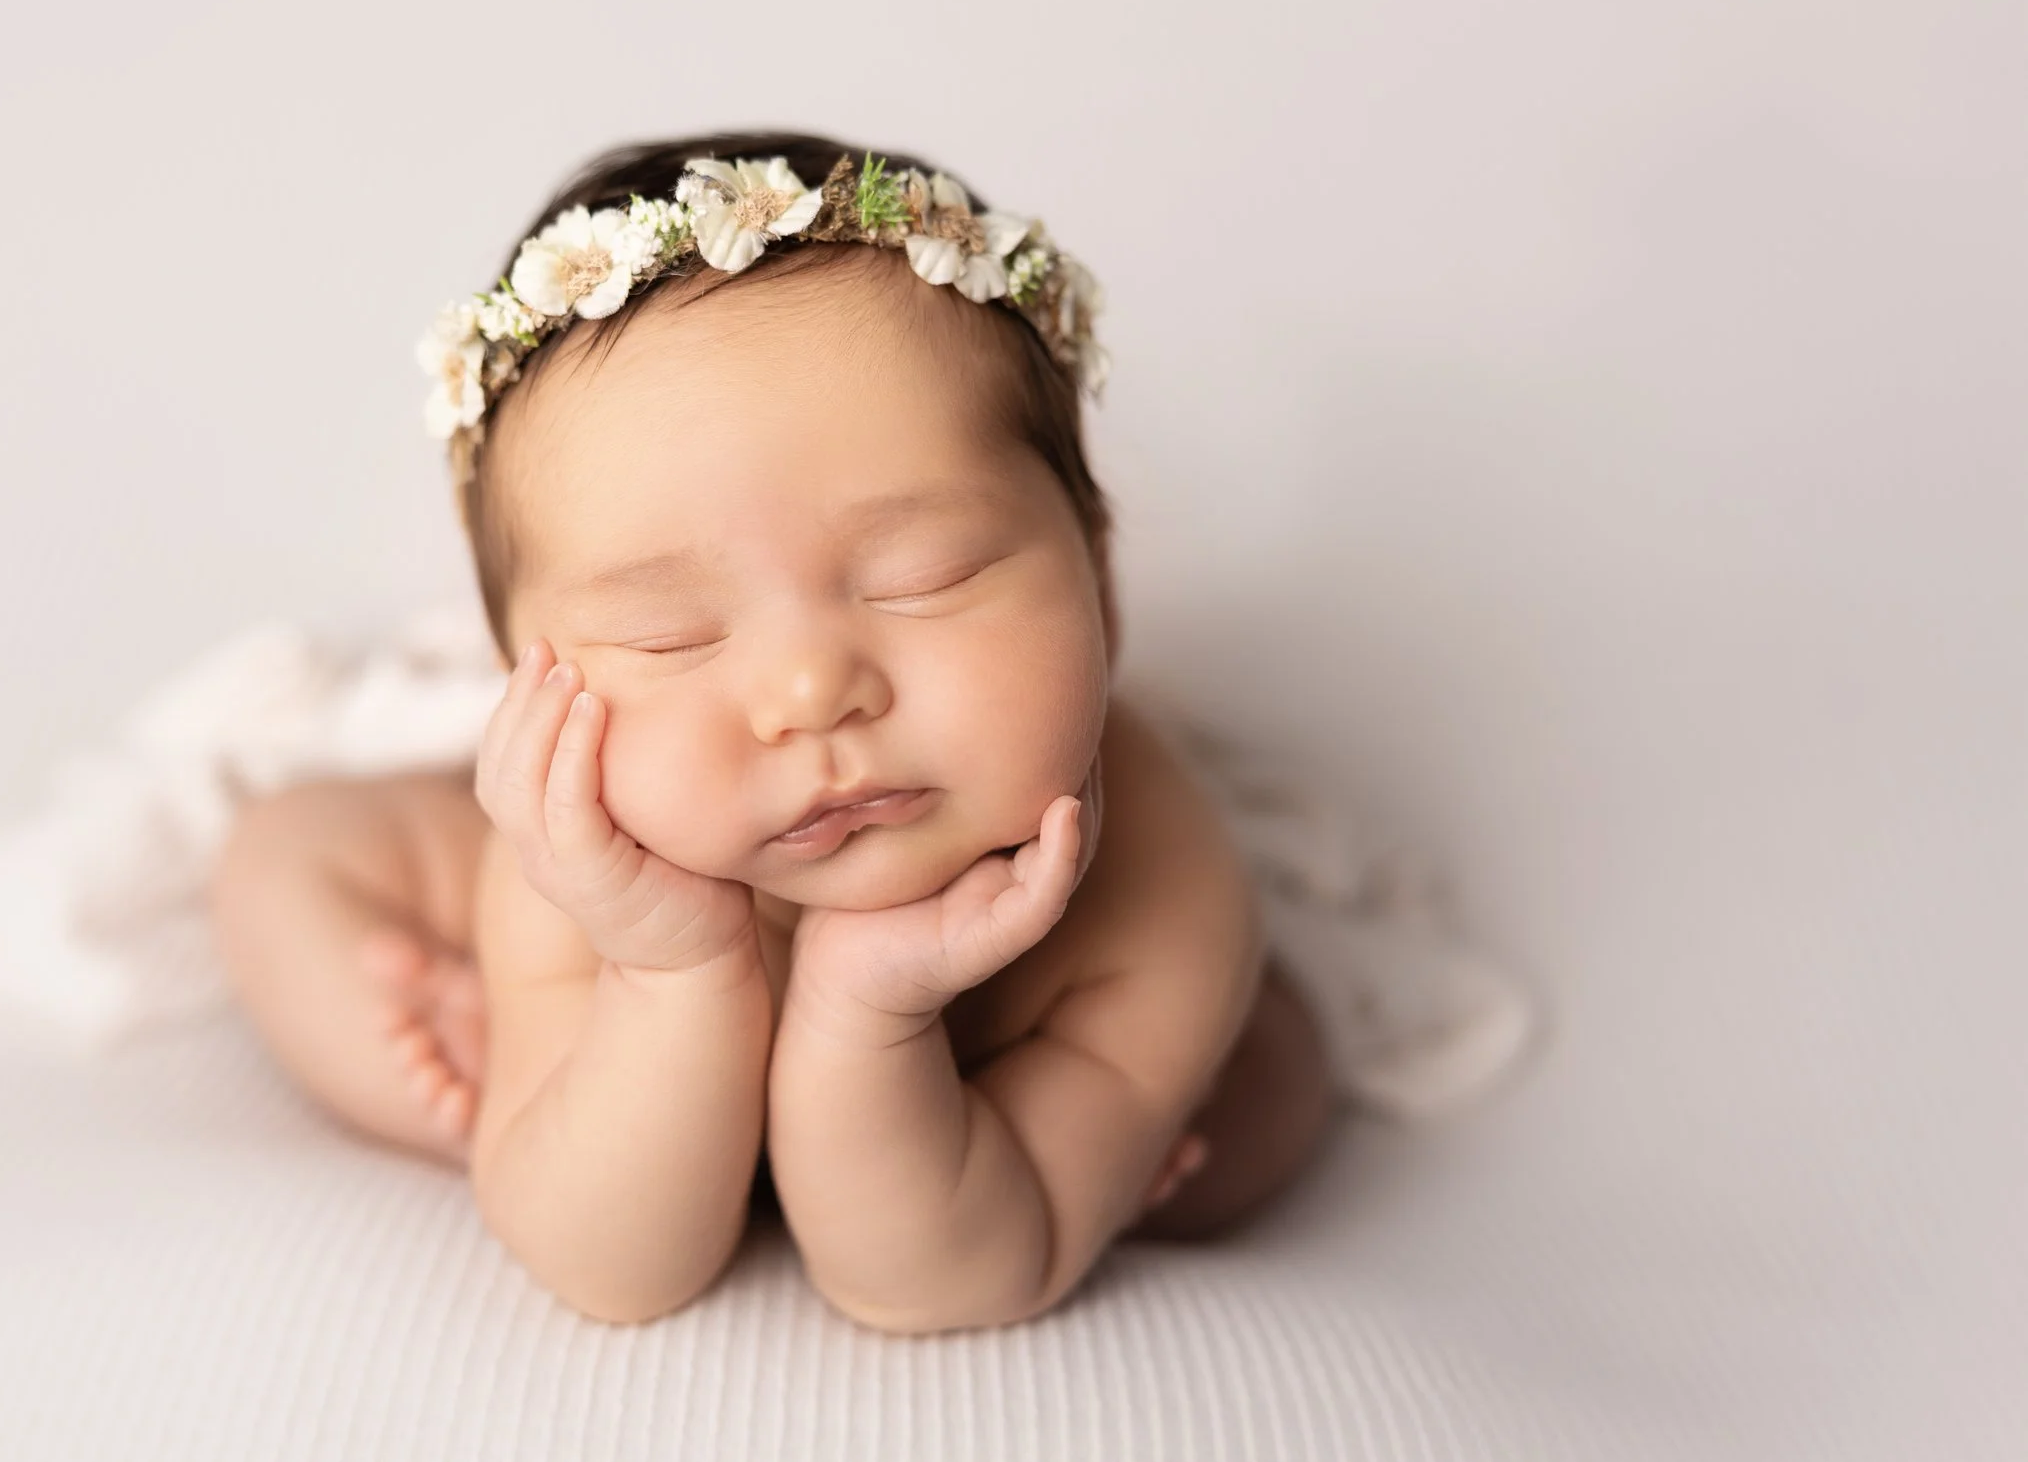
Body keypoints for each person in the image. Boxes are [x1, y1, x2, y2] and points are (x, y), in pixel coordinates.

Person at [210, 131, 1332, 1332]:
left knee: (1268, 1094)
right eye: (668, 637)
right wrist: (668, 969)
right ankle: (519, 1084)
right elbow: (614, 1269)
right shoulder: (584, 863)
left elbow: (937, 1281)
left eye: (924, 574)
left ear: (1100, 579)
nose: (809, 689)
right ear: (520, 686)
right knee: (283, 862)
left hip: (969, 1135)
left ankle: (1020, 1135)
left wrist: (871, 1010)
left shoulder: (1154, 881)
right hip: (636, 953)